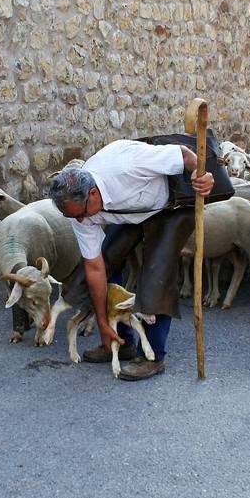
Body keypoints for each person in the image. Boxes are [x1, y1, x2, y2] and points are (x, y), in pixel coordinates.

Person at [49, 140, 215, 381]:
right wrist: (103, 323)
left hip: (168, 205)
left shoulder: (127, 166)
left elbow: (183, 155)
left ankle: (152, 357)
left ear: (92, 194)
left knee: (156, 275)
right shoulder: (80, 212)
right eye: (75, 217)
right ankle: (122, 340)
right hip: (129, 214)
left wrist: (202, 173)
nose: (81, 221)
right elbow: (95, 268)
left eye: (82, 214)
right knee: (105, 263)